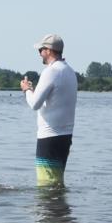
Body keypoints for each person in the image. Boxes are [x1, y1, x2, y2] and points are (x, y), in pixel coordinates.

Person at [20, 34, 77, 186]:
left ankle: (50, 210)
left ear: (49, 51)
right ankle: (60, 209)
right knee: (56, 182)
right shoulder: (70, 71)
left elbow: (34, 104)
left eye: (41, 49)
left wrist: (26, 90)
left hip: (49, 136)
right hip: (65, 136)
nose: (39, 53)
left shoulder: (50, 71)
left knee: (47, 185)